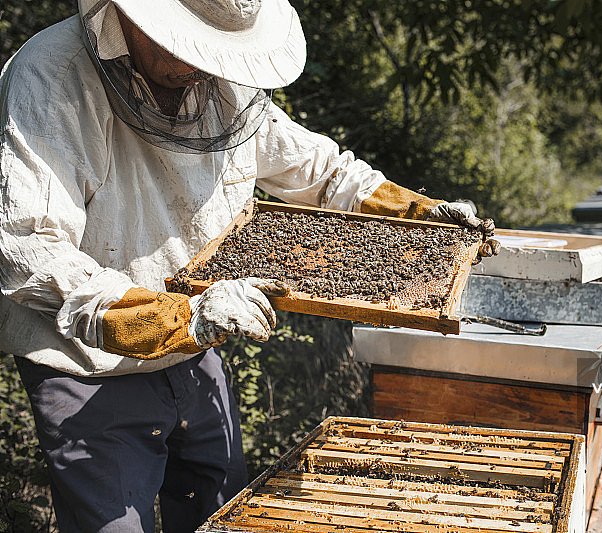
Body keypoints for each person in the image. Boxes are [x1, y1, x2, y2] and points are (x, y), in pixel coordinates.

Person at [0, 0, 497, 531]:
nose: (198, 62)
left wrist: (419, 214)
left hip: (196, 353)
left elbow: (316, 169)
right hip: (89, 371)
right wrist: (174, 318)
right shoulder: (50, 77)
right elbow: (28, 250)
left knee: (221, 513)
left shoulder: (219, 77)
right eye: (185, 39)